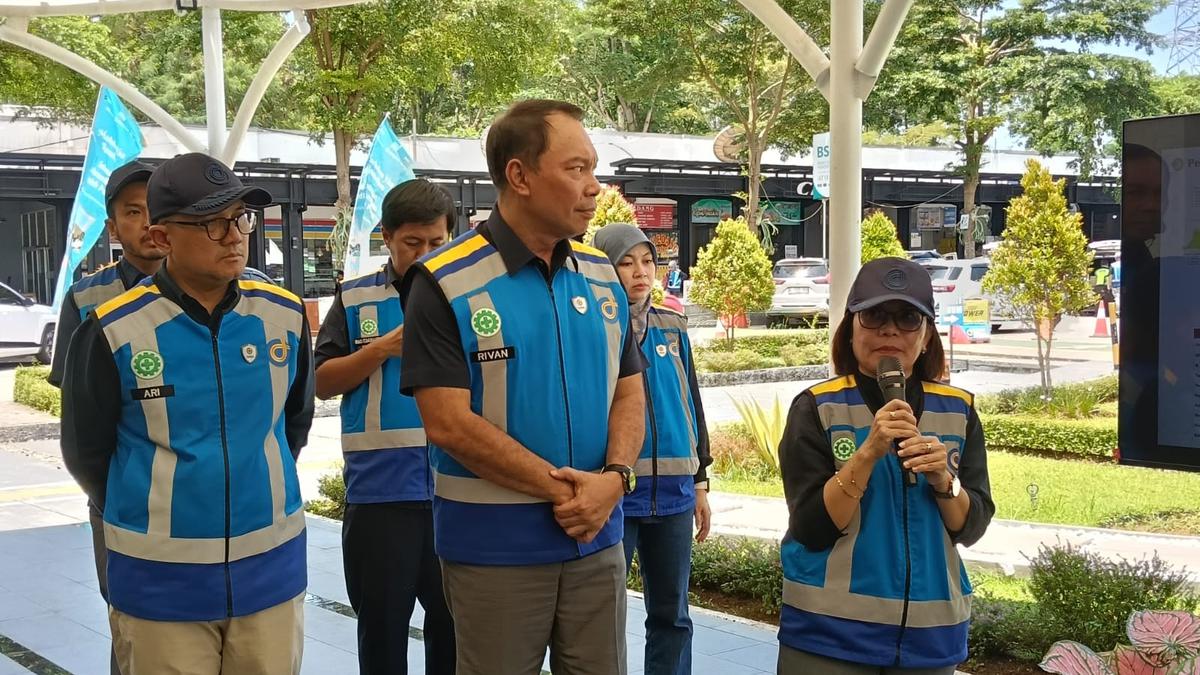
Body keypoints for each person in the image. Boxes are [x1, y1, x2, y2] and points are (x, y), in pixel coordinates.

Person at [399, 99, 647, 675]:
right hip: (494, 551)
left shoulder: (601, 277)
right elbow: (448, 423)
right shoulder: (443, 282)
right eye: (576, 168)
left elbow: (629, 391)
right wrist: (570, 494)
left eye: (593, 169)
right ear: (519, 175)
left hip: (596, 541)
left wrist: (615, 479)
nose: (594, 187)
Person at [60, 152, 314, 675]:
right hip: (160, 583)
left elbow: (294, 423)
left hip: (270, 569)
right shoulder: (112, 330)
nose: (234, 236)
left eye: (240, 219)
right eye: (211, 223)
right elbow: (88, 453)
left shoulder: (283, 316)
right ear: (163, 237)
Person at [776, 257, 994, 674]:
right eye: (874, 316)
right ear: (851, 328)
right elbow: (811, 527)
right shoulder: (817, 407)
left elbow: (972, 527)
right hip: (829, 634)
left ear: (927, 336)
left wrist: (943, 480)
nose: (889, 330)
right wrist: (867, 453)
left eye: (908, 318)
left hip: (930, 638)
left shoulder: (959, 410)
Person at [314, 179, 457, 675]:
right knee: (381, 632)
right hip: (379, 497)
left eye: (436, 242)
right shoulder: (355, 299)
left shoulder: (468, 296)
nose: (424, 254)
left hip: (453, 492)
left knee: (454, 630)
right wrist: (380, 349)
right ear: (387, 237)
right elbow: (321, 382)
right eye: (412, 242)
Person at [46, 160, 158, 674]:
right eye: (133, 212)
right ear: (113, 228)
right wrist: (114, 495)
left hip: (210, 504)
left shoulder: (233, 290)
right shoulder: (87, 298)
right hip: (119, 498)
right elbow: (80, 425)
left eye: (158, 209)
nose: (149, 222)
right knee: (132, 625)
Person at [593, 223, 712, 675]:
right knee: (604, 616)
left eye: (647, 261)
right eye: (626, 263)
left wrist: (700, 481)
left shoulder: (673, 325)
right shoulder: (594, 326)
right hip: (617, 492)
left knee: (673, 615)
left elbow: (691, 403)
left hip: (676, 492)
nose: (640, 272)